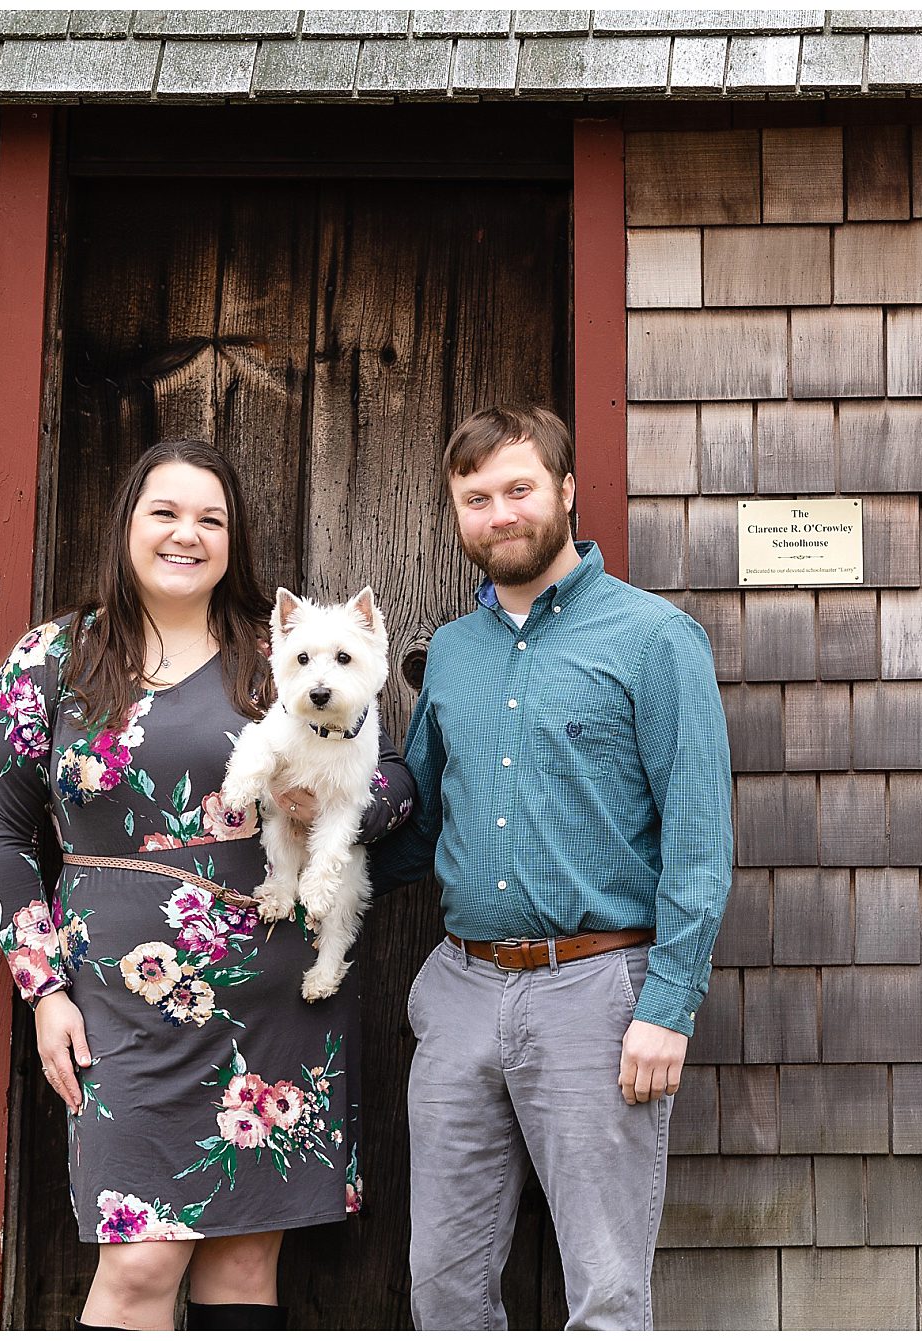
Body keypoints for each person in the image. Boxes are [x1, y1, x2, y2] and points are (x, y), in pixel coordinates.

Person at [0, 439, 413, 1331]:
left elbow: (389, 777)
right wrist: (41, 987)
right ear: (127, 526)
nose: (188, 534)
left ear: (233, 537)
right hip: (121, 1001)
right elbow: (0, 825)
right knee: (140, 1261)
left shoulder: (280, 652)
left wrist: (351, 809)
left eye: (210, 518)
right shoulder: (51, 660)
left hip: (274, 987)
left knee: (246, 1259)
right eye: (165, 513)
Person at [373, 405, 732, 1330]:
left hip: (599, 990)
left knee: (606, 1289)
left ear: (567, 491)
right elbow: (419, 827)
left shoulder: (654, 639)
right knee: (441, 1284)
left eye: (520, 489)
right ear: (457, 513)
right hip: (460, 988)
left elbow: (699, 836)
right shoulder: (451, 652)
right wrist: (319, 814)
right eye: (477, 497)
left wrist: (668, 1005)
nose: (500, 514)